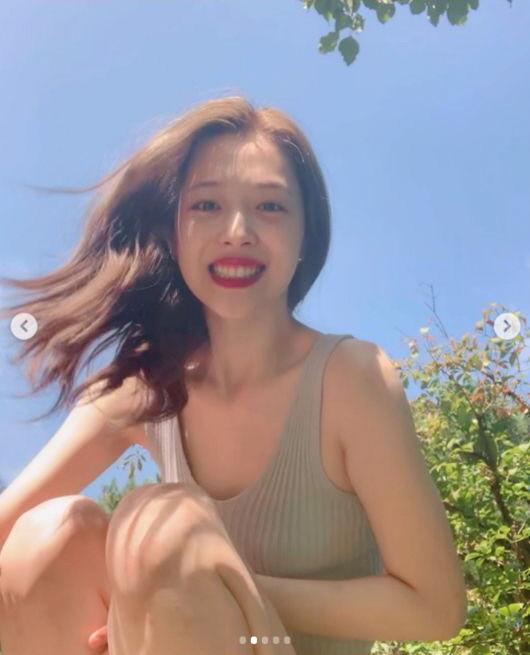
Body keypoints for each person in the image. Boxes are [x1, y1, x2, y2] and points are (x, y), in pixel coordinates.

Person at [0, 95, 467, 655]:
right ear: (172, 235)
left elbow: (434, 606)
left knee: (162, 521)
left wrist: (199, 589)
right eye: (206, 205)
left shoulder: (351, 378)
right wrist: (165, 605)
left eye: (270, 206)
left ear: (305, 236)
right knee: (47, 535)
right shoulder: (141, 387)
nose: (238, 231)